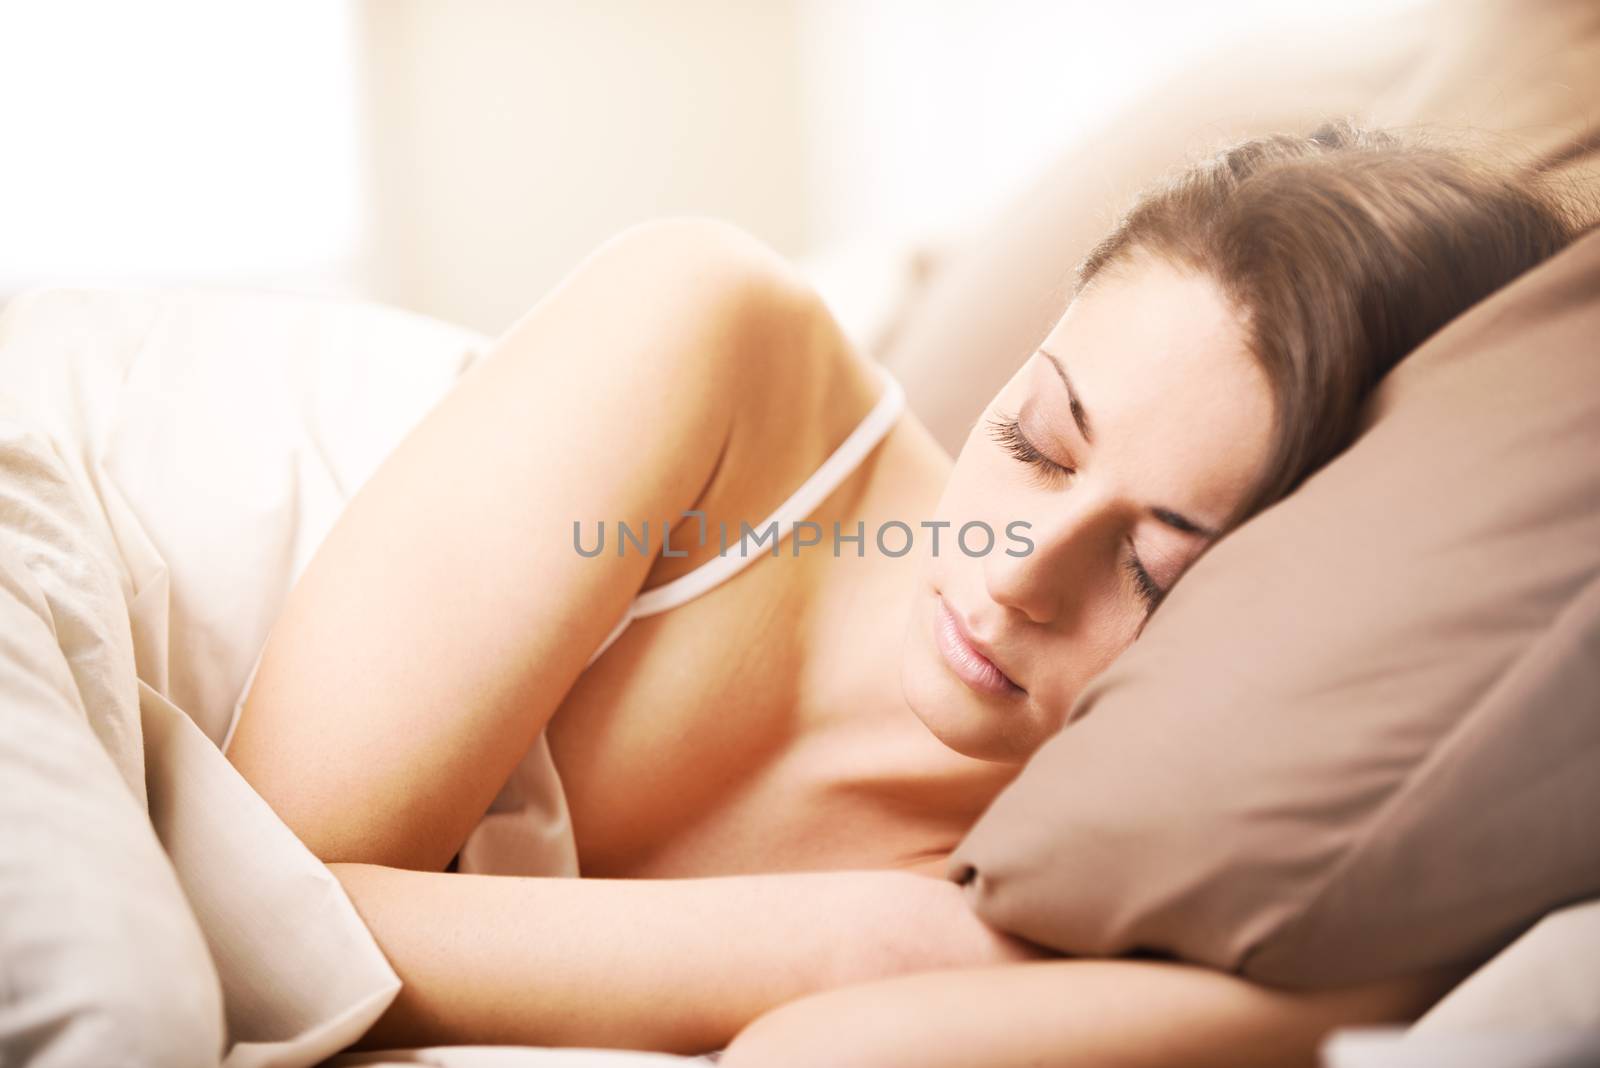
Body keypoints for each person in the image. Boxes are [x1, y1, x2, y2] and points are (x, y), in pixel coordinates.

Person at [224, 119, 1587, 1061]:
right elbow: (233, 906)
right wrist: (862, 936)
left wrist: (1361, 996)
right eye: (1036, 441)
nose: (1013, 575)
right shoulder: (710, 333)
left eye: (1156, 574)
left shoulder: (1087, 888)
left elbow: (834, 1055)